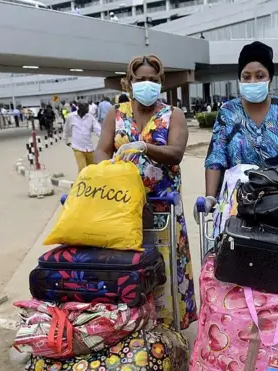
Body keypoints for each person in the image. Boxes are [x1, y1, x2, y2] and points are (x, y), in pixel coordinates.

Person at [95, 54, 197, 331]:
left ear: (161, 83)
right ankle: (132, 325)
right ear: (129, 83)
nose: (147, 85)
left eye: (153, 80)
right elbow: (103, 148)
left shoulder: (172, 115)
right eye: (141, 80)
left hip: (163, 208)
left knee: (165, 263)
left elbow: (175, 153)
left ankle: (168, 326)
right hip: (123, 206)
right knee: (128, 264)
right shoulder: (115, 114)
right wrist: (101, 171)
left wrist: (144, 146)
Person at [201, 41, 278, 213]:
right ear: (239, 79)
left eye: (260, 76)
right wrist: (209, 197)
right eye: (246, 76)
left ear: (270, 78)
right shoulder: (228, 112)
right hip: (237, 205)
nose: (253, 81)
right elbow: (216, 157)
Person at [64, 100, 101, 173]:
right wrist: (66, 141)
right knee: (82, 169)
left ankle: (92, 183)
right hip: (77, 147)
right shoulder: (71, 117)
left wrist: (102, 137)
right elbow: (66, 129)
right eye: (85, 107)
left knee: (93, 168)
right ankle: (80, 183)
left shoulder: (90, 117)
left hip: (89, 147)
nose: (88, 109)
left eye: (87, 107)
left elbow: (98, 129)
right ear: (79, 107)